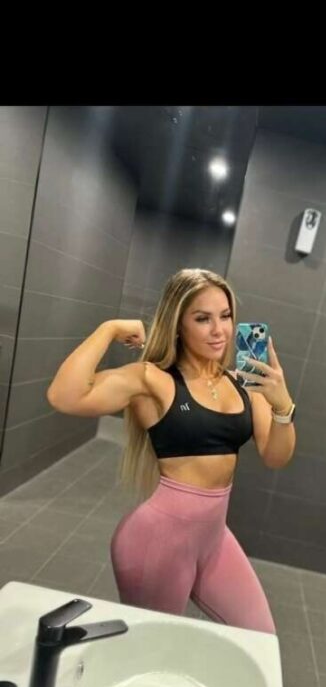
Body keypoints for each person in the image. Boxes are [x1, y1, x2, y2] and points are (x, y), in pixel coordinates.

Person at [46, 268, 296, 633]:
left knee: (262, 637)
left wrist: (282, 405)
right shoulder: (153, 379)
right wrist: (109, 329)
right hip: (156, 543)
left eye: (225, 316)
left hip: (214, 540)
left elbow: (276, 456)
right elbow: (64, 395)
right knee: (150, 650)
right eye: (203, 318)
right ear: (178, 324)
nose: (219, 330)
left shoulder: (244, 384)